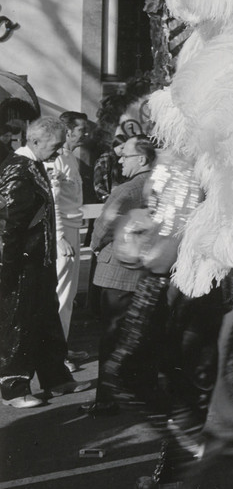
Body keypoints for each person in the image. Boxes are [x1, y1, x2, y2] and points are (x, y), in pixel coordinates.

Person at [0, 116, 78, 407]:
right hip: (21, 263)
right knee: (19, 323)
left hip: (37, 260)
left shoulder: (31, 166)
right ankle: (14, 387)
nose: (59, 152)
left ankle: (54, 376)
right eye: (55, 146)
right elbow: (9, 225)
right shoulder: (19, 170)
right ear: (35, 142)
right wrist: (8, 270)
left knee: (45, 318)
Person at [84, 134, 158, 415]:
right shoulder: (161, 184)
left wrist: (95, 246)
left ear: (141, 159)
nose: (119, 159)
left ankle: (107, 399)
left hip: (118, 272)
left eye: (125, 155)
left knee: (112, 337)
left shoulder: (128, 189)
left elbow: (103, 226)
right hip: (147, 270)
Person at [49, 110, 87, 344]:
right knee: (61, 294)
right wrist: (60, 236)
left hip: (73, 228)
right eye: (82, 129)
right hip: (63, 234)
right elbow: (53, 200)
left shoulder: (71, 157)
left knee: (68, 294)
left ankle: (61, 348)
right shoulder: (58, 158)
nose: (85, 134)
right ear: (69, 131)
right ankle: (57, 356)